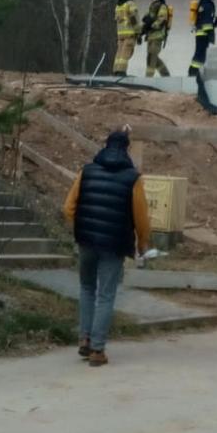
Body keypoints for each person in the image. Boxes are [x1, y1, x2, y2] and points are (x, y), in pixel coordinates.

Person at [61, 128, 152, 367]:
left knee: (87, 288)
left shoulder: (86, 171)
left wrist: (81, 227)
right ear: (127, 149)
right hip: (114, 244)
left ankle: (85, 338)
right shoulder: (133, 178)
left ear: (105, 145)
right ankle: (98, 350)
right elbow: (141, 217)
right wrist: (142, 243)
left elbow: (68, 207)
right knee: (105, 294)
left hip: (86, 242)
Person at [140, 0, 173, 77]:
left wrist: (151, 25)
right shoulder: (152, 7)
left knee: (152, 57)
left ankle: (148, 77)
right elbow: (146, 19)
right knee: (152, 57)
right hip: (151, 36)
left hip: (157, 36)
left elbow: (161, 20)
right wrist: (141, 31)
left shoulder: (162, 6)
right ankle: (166, 75)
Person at [189, 0, 217, 78]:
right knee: (200, 55)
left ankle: (195, 73)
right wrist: (210, 33)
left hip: (200, 33)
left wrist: (216, 21)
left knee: (200, 54)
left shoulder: (202, 3)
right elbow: (206, 23)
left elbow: (204, 20)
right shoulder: (208, 5)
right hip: (204, 34)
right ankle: (193, 73)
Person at [111, 0, 140, 76]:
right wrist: (138, 32)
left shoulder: (118, 6)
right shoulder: (130, 4)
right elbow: (134, 19)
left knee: (119, 53)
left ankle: (116, 70)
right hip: (129, 33)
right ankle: (121, 71)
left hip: (120, 34)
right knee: (126, 53)